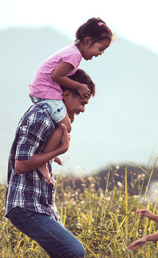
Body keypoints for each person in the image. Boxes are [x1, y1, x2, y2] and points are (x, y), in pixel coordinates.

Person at [5, 69, 96, 258]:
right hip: (25, 205)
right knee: (74, 252)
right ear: (66, 95)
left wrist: (51, 153)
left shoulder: (54, 122)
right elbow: (21, 164)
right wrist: (59, 150)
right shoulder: (39, 117)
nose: (83, 109)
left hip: (40, 206)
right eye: (82, 101)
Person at [28, 17, 113, 183]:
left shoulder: (73, 54)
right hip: (45, 92)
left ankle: (45, 156)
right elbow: (56, 76)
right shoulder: (73, 56)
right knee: (66, 126)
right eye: (100, 49)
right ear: (87, 41)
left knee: (60, 125)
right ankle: (42, 160)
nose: (100, 54)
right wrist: (79, 86)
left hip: (43, 90)